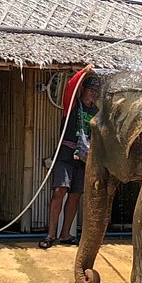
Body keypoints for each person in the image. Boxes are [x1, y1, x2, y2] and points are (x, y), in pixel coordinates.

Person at [38, 65, 100, 249]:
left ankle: (65, 234)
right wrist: (83, 72)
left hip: (85, 158)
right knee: (60, 191)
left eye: (96, 91)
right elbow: (70, 88)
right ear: (83, 90)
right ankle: (50, 234)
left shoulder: (96, 113)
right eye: (91, 90)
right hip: (66, 154)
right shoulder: (72, 104)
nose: (93, 94)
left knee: (75, 195)